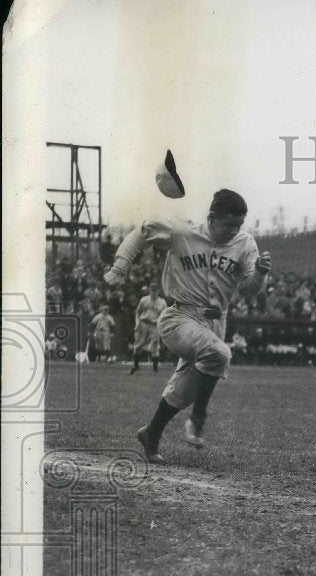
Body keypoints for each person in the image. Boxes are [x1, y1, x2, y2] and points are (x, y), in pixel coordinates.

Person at [104, 189, 271, 464]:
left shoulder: (244, 243)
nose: (234, 230)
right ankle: (198, 418)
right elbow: (142, 232)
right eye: (228, 224)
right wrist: (120, 267)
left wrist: (261, 274)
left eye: (238, 225)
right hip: (179, 317)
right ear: (211, 217)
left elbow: (250, 289)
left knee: (183, 390)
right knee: (219, 355)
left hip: (215, 323)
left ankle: (151, 433)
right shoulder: (182, 231)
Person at [130, 284, 168, 373]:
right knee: (138, 344)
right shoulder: (144, 300)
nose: (153, 292)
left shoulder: (162, 302)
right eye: (152, 290)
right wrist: (137, 324)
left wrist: (161, 325)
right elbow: (137, 312)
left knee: (154, 345)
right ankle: (136, 365)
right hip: (144, 323)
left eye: (155, 290)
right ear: (149, 290)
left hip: (155, 324)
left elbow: (165, 316)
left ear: (158, 291)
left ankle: (155, 369)